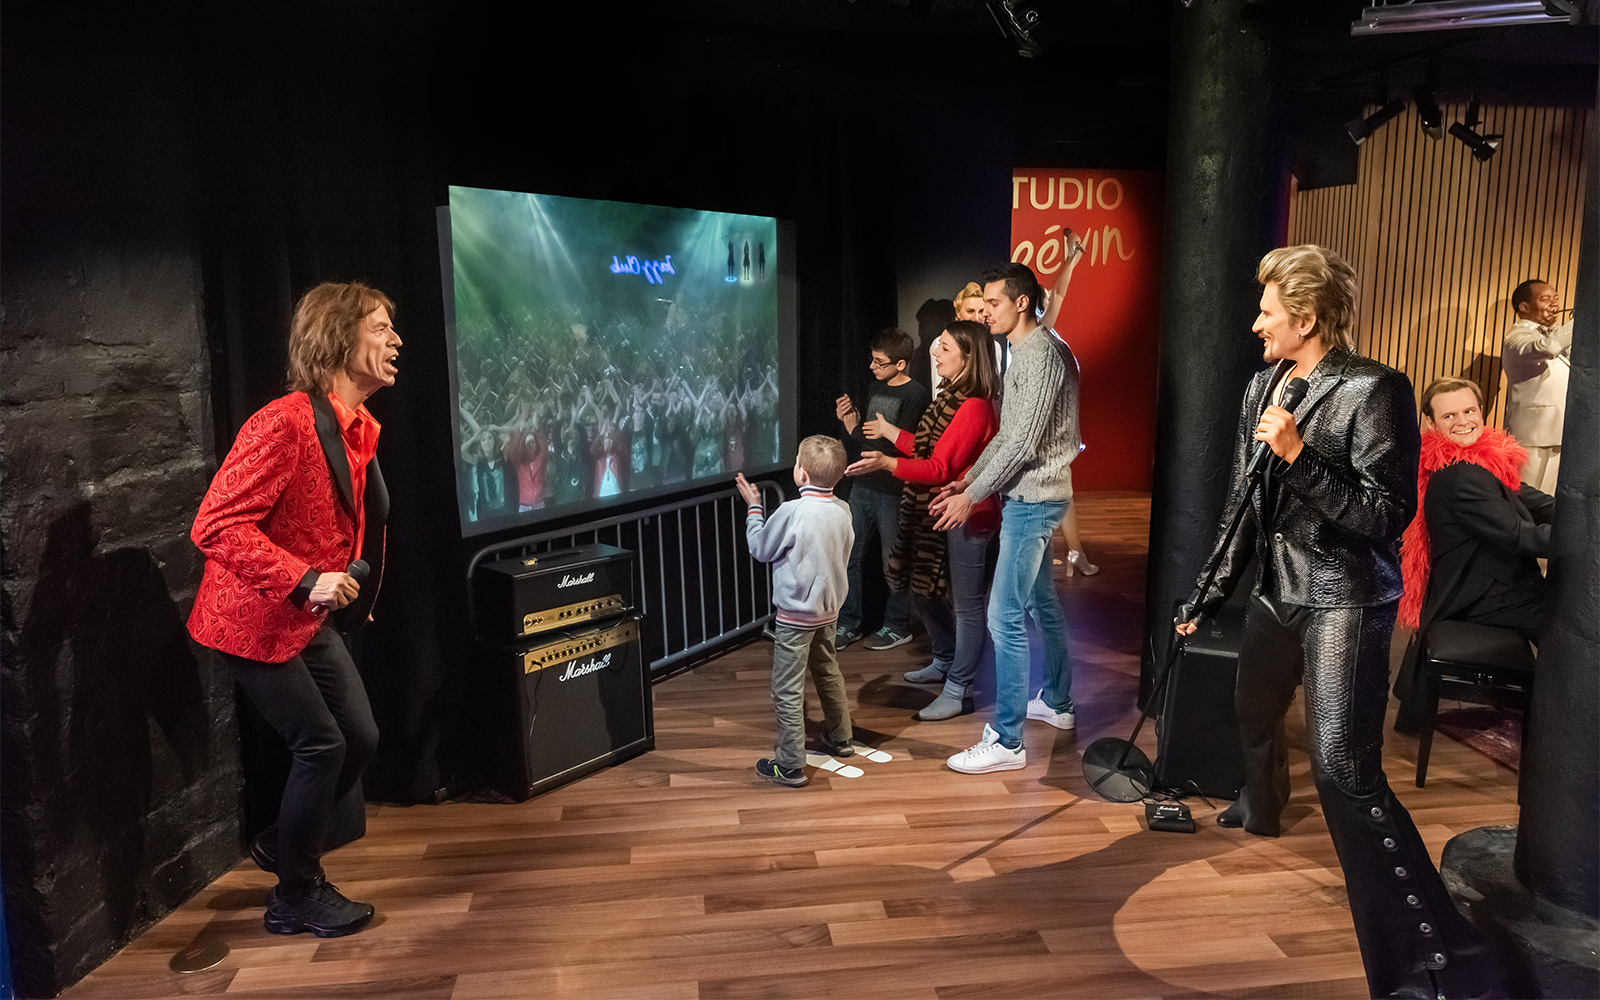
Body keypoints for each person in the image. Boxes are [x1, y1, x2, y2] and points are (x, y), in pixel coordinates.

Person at [1176, 246, 1508, 997]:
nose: (1255, 322)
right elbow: (1240, 503)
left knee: (1345, 771)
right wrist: (1206, 592)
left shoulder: (1377, 388)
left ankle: (1436, 957)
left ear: (1307, 316)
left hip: (1346, 597)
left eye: (1267, 311)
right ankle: (1261, 807)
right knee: (1251, 710)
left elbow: (1386, 516)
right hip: (1276, 590)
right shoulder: (1264, 381)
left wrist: (1297, 456)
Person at [187, 281, 399, 938]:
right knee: (322, 743)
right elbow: (215, 526)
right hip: (251, 617)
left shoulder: (355, 427)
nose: (396, 341)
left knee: (358, 738)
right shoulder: (283, 422)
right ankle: (295, 896)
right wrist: (306, 577)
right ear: (340, 337)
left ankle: (286, 842)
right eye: (381, 327)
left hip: (303, 618)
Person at [930, 262, 1082, 774]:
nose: (984, 311)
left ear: (1021, 302)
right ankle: (1058, 704)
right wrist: (970, 480)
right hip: (1035, 497)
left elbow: (1021, 443)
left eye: (992, 303)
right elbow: (1007, 437)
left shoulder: (1039, 357)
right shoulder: (1032, 350)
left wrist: (971, 496)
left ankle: (1007, 740)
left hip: (1033, 502)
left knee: (1003, 617)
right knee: (1041, 604)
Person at [846, 320, 1001, 720]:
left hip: (968, 515)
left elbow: (938, 467)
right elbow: (926, 447)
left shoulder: (974, 406)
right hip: (940, 512)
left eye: (945, 348)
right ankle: (946, 659)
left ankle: (960, 688)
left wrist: (886, 461)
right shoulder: (950, 397)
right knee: (923, 591)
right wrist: (890, 435)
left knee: (967, 607)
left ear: (969, 357)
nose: (935, 354)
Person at [1393, 377, 1552, 732]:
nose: (1463, 421)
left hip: (1493, 584)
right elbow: (1518, 536)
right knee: (1575, 629)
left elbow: (1528, 498)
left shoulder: (1479, 460)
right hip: (1481, 595)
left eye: (1469, 410)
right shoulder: (1459, 476)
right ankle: (1559, 725)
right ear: (1433, 424)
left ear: (1482, 412)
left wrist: (1581, 516)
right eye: (1449, 415)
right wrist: (1582, 539)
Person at [735, 436, 856, 787]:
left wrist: (754, 510)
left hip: (795, 618)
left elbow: (760, 548)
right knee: (828, 672)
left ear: (800, 473)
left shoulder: (792, 511)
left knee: (786, 689)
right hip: (828, 613)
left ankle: (789, 764)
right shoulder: (843, 509)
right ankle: (841, 738)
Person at [835, 328, 930, 650]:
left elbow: (912, 449)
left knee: (894, 562)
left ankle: (898, 624)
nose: (873, 367)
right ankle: (849, 623)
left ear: (900, 364)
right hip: (862, 486)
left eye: (879, 362)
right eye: (872, 360)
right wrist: (850, 426)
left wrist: (885, 433)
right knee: (851, 555)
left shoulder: (916, 394)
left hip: (893, 491)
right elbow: (867, 441)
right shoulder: (875, 386)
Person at [1501, 278, 1571, 494]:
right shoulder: (1515, 338)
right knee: (1530, 500)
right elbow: (1548, 348)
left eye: (1556, 299)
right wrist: (1580, 320)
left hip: (1560, 430)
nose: (1554, 304)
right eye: (1545, 299)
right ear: (1524, 307)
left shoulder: (1555, 333)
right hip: (1532, 437)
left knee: (1552, 503)